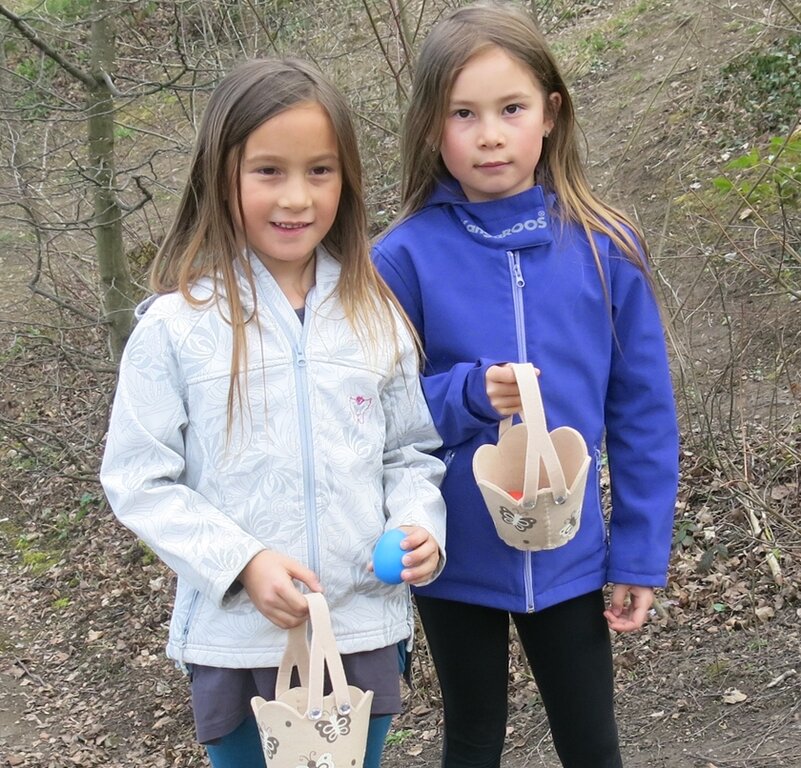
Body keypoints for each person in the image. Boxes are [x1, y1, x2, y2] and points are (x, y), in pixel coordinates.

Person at [100, 58, 447, 768]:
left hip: (359, 631)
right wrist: (243, 562)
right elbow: (138, 478)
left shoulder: (373, 314)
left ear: (345, 179)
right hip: (238, 642)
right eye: (268, 171)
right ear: (219, 175)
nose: (296, 197)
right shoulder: (174, 327)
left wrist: (419, 527)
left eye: (319, 170)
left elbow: (409, 451)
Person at [372, 3, 679, 767]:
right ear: (430, 129)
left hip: (571, 548)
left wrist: (639, 553)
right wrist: (470, 394)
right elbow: (377, 413)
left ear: (549, 112)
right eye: (462, 114)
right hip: (451, 554)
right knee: (471, 738)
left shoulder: (606, 246)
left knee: (590, 740)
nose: (488, 134)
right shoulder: (400, 259)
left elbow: (642, 412)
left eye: (509, 109)